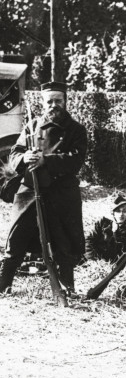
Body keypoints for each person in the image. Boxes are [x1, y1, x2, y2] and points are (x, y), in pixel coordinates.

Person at [0, 81, 87, 294]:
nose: (54, 105)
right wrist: (25, 157)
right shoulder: (31, 127)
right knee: (17, 238)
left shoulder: (76, 130)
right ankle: (4, 286)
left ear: (65, 102)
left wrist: (45, 160)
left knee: (63, 243)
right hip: (31, 189)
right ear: (43, 103)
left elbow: (76, 160)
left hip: (60, 192)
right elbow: (14, 154)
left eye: (58, 101)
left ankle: (67, 288)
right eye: (50, 101)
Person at [84, 194, 126, 262]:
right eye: (118, 211)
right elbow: (88, 242)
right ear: (113, 213)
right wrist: (94, 261)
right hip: (96, 262)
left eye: (125, 211)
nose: (121, 214)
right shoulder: (102, 224)